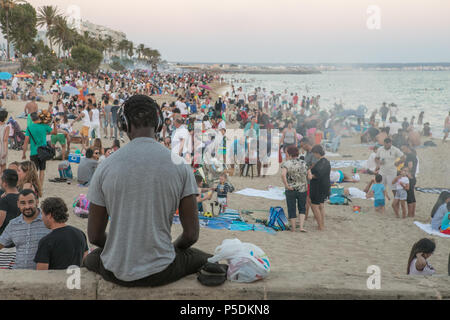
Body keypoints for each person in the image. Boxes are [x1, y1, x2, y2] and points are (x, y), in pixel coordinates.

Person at [83, 95, 211, 287]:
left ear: (124, 124)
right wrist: (173, 248)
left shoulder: (105, 166)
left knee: (90, 259)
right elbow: (191, 235)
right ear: (159, 124)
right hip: (161, 270)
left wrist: (121, 246)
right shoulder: (181, 166)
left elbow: (94, 236)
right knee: (208, 258)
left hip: (114, 270)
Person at [0, 190, 50, 269]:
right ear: (18, 204)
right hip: (18, 273)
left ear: (37, 202)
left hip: (41, 275)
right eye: (23, 203)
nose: (27, 207)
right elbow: (1, 242)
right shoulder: (13, 224)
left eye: (30, 202)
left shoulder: (48, 221)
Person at [34, 197, 89, 270]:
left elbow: (41, 273)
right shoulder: (80, 234)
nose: (42, 218)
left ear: (49, 215)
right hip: (75, 280)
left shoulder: (46, 242)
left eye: (42, 214)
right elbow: (85, 260)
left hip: (56, 281)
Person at [22, 113, 58, 187]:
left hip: (33, 152)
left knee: (34, 171)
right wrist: (54, 123)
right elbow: (55, 132)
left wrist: (24, 153)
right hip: (43, 152)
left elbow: (26, 142)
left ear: (31, 119)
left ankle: (33, 186)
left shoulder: (29, 127)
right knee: (42, 170)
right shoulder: (44, 126)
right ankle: (40, 187)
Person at [281, 146, 308, 233]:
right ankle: (301, 227)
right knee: (302, 208)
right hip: (302, 188)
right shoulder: (304, 162)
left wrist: (286, 185)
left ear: (289, 154)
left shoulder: (287, 164)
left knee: (291, 208)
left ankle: (293, 228)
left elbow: (283, 175)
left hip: (291, 188)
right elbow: (308, 174)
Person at [307, 145, 331, 231]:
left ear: (317, 153)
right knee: (321, 205)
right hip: (325, 186)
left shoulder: (321, 163)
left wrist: (310, 174)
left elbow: (316, 175)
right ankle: (322, 224)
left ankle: (320, 226)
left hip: (318, 187)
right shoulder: (326, 162)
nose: (314, 155)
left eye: (314, 154)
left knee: (314, 206)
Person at [0, 170, 20, 235]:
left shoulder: (5, 200)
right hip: (18, 233)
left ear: (5, 184)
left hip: (5, 236)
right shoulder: (22, 196)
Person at [401, 144, 418, 218]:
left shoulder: (410, 156)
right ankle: (412, 214)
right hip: (413, 177)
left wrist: (405, 172)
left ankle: (410, 214)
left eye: (403, 149)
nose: (402, 150)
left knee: (409, 197)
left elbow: (410, 167)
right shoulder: (413, 155)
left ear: (407, 148)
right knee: (412, 196)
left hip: (409, 178)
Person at [0, 109, 10, 174]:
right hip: (2, 148)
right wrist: (5, 151)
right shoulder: (6, 127)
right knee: (3, 166)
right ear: (5, 118)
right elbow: (5, 140)